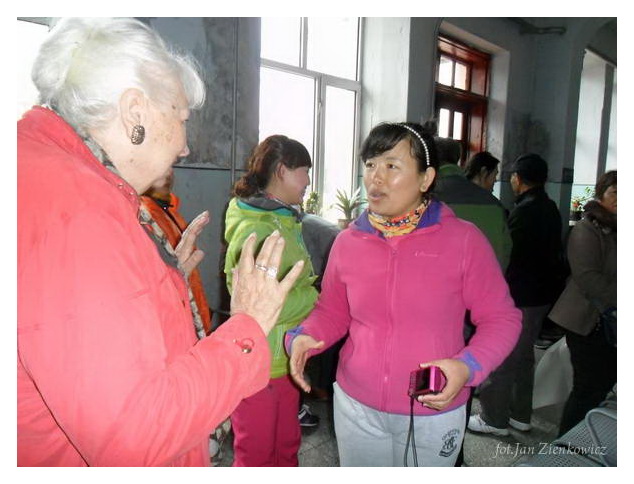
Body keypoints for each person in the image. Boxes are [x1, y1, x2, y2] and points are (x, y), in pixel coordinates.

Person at [18, 17, 305, 467]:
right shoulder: (79, 214)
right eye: (182, 118)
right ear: (135, 112)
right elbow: (134, 439)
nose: (185, 147)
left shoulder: (39, 168)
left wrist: (159, 280)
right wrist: (248, 325)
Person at [287, 122, 521, 467]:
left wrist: (468, 366)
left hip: (431, 406)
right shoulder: (349, 242)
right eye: (370, 164)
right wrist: (306, 336)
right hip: (356, 405)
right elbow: (333, 310)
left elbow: (502, 318)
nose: (376, 178)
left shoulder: (463, 240)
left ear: (426, 179)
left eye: (392, 165)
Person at [223, 135, 319, 466]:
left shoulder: (283, 219)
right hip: (259, 361)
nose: (308, 181)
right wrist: (318, 297)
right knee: (257, 455)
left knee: (286, 447)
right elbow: (258, 307)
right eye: (304, 171)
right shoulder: (257, 227)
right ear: (281, 171)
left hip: (284, 356)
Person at [469, 153, 565, 437]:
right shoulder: (549, 207)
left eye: (511, 176)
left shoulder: (524, 211)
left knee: (503, 356)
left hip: (520, 296)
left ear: (518, 179)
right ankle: (520, 414)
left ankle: (494, 418)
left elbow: (510, 255)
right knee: (523, 356)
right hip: (540, 297)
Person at [549, 171, 617, 435]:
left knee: (604, 383)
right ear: (600, 194)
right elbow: (587, 277)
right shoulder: (587, 228)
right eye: (614, 192)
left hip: (611, 321)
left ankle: (588, 437)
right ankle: (568, 443)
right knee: (587, 387)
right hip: (587, 320)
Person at [141, 169, 212, 336]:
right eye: (162, 167)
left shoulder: (167, 211)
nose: (168, 173)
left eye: (170, 167)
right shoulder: (144, 218)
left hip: (190, 316)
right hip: (176, 324)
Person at [434, 144, 512, 271]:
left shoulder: (422, 198)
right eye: (495, 175)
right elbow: (504, 253)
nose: (495, 180)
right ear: (484, 172)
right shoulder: (494, 205)